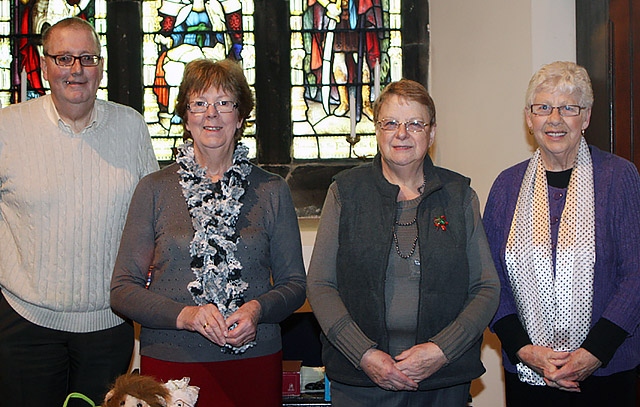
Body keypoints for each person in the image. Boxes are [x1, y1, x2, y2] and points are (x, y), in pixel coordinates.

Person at [110, 58, 307, 407]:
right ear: (186, 118)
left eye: (224, 103)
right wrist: (186, 316)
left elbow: (294, 284)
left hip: (254, 362)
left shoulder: (272, 190)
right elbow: (123, 290)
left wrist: (257, 310)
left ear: (241, 118)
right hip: (172, 366)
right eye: (199, 103)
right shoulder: (153, 189)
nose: (211, 114)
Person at [307, 78, 500, 406]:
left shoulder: (459, 196)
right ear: (377, 130)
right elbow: (321, 286)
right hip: (360, 382)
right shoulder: (345, 192)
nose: (402, 134)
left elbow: (486, 288)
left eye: (414, 124)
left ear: (432, 132)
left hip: (442, 382)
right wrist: (364, 354)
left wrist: (441, 350)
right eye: (391, 123)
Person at [0, 17, 159, 406]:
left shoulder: (131, 126)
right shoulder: (7, 128)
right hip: (25, 325)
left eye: (86, 58)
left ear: (101, 66)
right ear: (44, 64)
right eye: (64, 58)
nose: (76, 70)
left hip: (109, 325)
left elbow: (156, 214)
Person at [484, 61, 640, 407]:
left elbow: (635, 275)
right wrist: (524, 350)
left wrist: (592, 353)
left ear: (585, 119)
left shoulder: (620, 177)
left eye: (569, 108)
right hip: (527, 372)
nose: (554, 119)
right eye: (543, 108)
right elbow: (490, 279)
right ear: (529, 118)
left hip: (606, 371)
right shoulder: (506, 186)